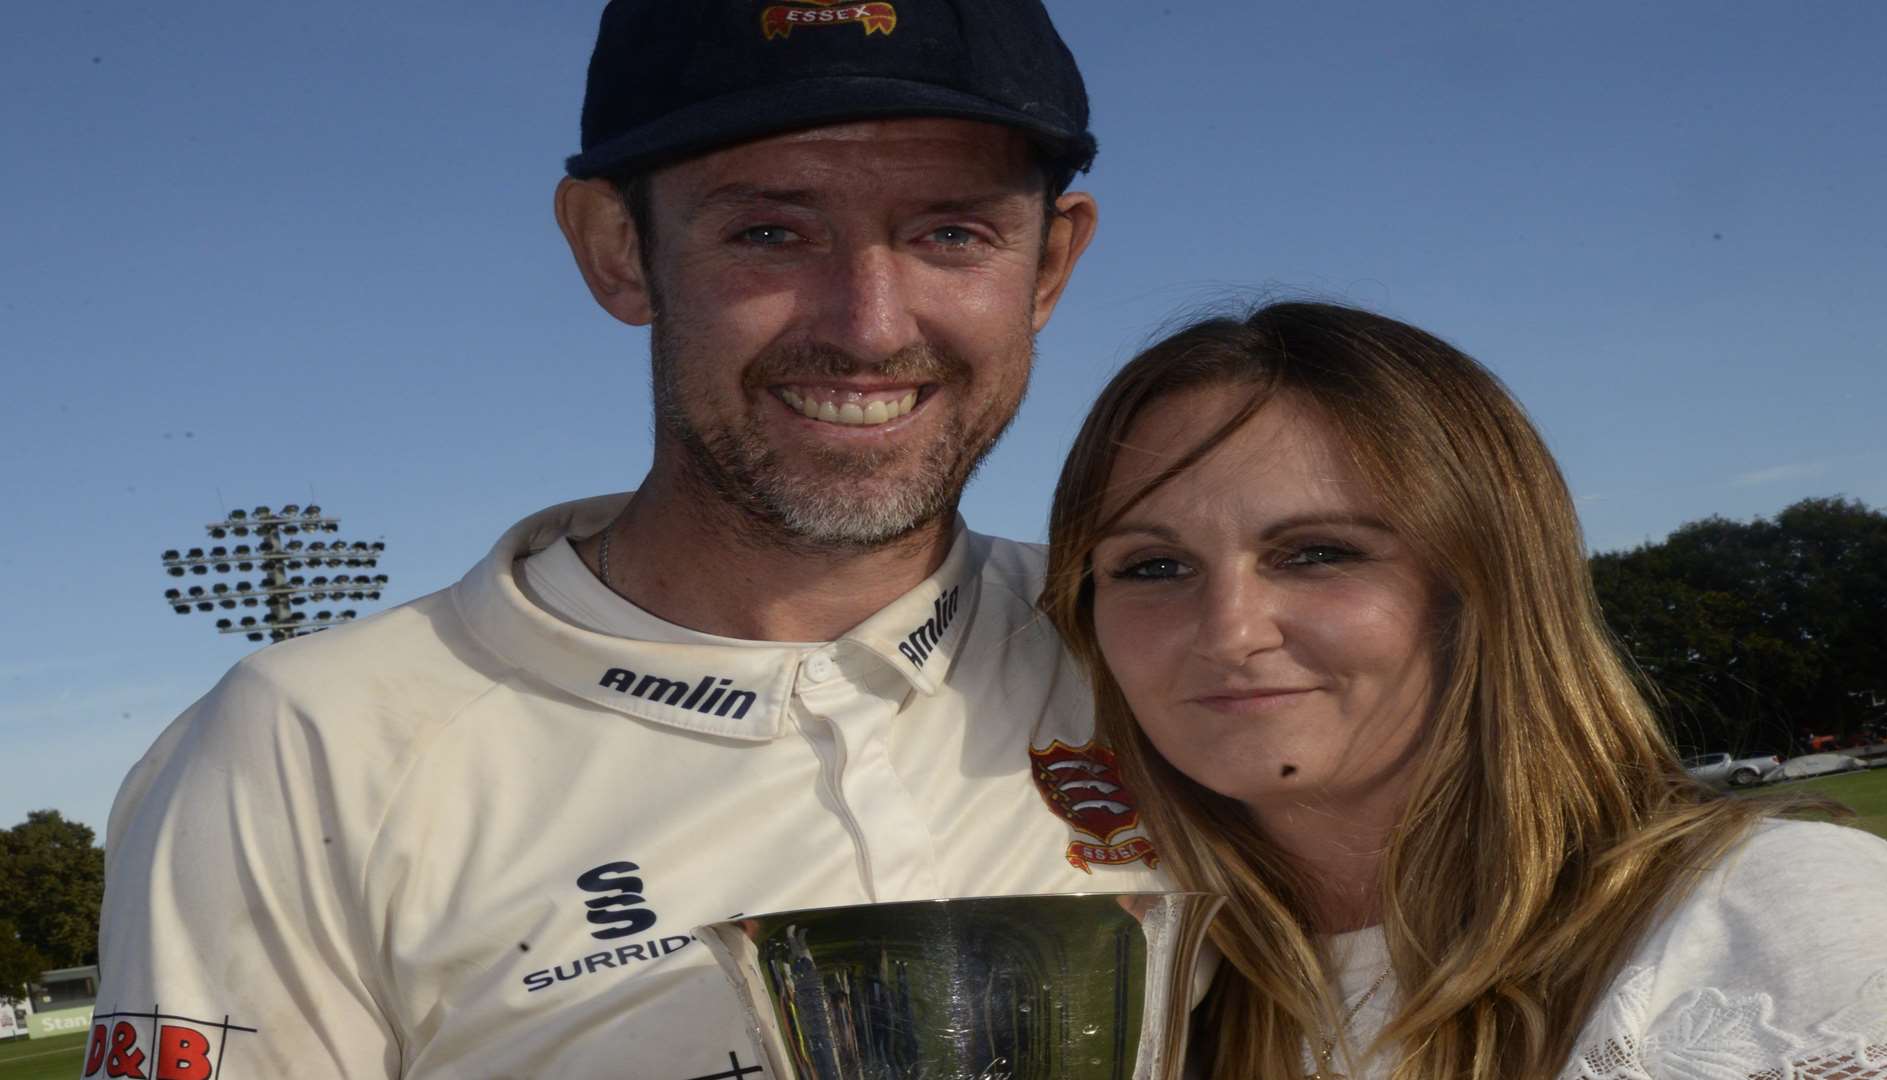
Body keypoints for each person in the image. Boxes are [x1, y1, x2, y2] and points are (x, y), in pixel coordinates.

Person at [91, 3, 1175, 1076]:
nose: (870, 325)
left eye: (952, 233)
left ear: (1048, 266)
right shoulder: (308, 748)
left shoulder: (1164, 653)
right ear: (617, 250)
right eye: (769, 233)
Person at [1040, 301, 1887, 1079]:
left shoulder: (1759, 919)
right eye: (1152, 566)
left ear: (1483, 584)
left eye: (1319, 552)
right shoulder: (1162, 987)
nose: (1230, 629)